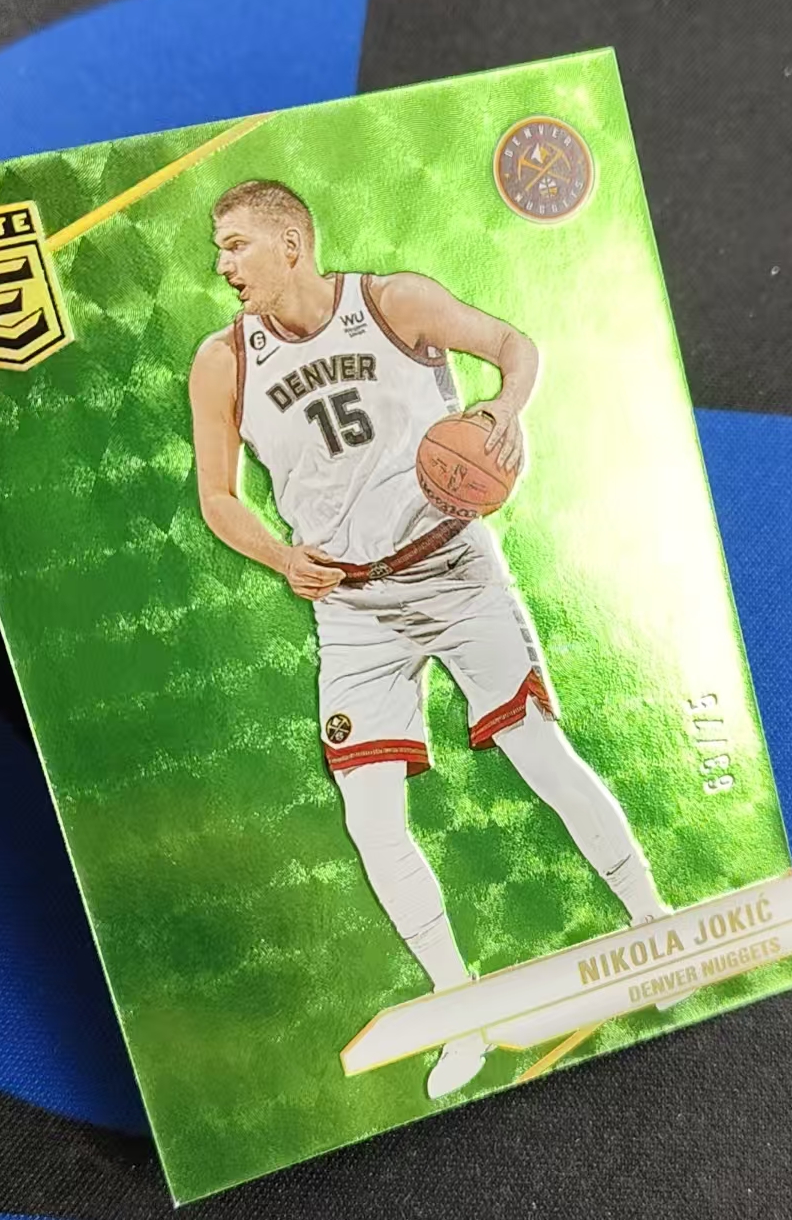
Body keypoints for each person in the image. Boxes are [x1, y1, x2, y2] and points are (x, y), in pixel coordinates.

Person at [189, 179, 668, 1098]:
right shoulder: (223, 361)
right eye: (220, 248)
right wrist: (280, 556)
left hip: (452, 568)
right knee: (369, 817)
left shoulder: (392, 302)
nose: (224, 264)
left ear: (291, 243)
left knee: (537, 749)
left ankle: (652, 925)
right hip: (351, 605)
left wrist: (504, 408)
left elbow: (516, 347)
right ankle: (461, 1010)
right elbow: (217, 496)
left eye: (237, 244)